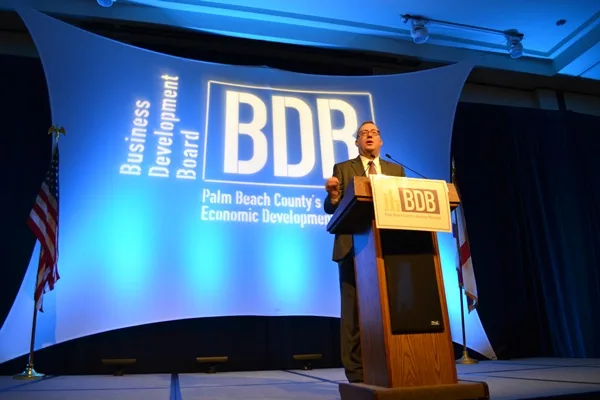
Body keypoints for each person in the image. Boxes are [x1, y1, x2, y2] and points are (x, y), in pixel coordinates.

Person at [323, 120, 405, 383]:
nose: (369, 136)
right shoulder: (344, 168)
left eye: (374, 133)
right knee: (353, 313)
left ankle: (393, 362)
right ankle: (356, 372)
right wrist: (333, 196)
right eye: (363, 133)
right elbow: (333, 206)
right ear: (356, 142)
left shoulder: (395, 169)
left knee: (389, 310)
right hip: (352, 248)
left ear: (381, 141)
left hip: (388, 247)